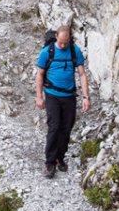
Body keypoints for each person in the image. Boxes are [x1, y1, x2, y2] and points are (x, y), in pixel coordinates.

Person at [35, 26, 91, 178]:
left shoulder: (74, 50)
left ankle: (60, 157)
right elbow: (40, 74)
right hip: (52, 94)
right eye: (61, 42)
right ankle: (49, 162)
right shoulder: (47, 52)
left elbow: (82, 74)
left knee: (66, 128)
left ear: (69, 39)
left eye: (66, 43)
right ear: (56, 37)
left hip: (69, 96)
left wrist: (86, 97)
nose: (63, 46)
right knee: (54, 126)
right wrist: (39, 96)